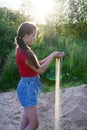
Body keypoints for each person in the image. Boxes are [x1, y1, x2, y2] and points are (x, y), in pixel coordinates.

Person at [15, 22, 64, 130]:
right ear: (25, 35)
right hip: (28, 88)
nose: (35, 38)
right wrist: (52, 56)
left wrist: (53, 54)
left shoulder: (25, 49)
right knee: (34, 124)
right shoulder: (23, 52)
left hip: (28, 86)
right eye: (33, 35)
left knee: (26, 119)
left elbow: (37, 64)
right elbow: (40, 70)